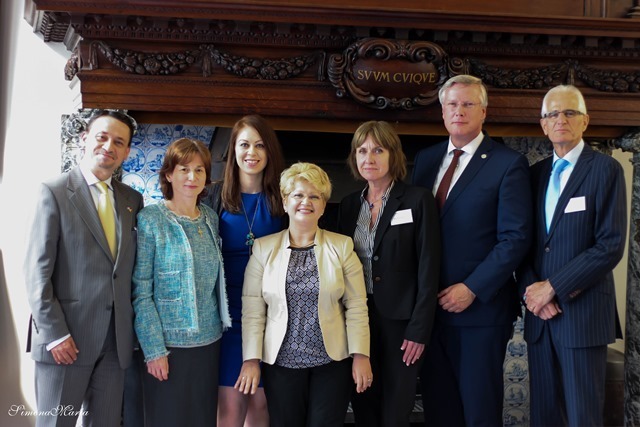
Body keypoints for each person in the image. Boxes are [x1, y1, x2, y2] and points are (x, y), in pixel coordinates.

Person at [412, 74, 532, 427]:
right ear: (443, 111)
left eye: (467, 104)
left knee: (479, 410)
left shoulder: (508, 163)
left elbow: (515, 237)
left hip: (478, 312)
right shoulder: (426, 159)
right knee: (439, 408)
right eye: (452, 104)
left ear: (484, 111)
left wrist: (472, 288)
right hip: (428, 312)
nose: (458, 111)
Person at [24, 110, 144, 427]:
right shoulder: (54, 191)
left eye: (119, 142)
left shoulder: (132, 199)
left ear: (127, 152)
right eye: (102, 137)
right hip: (67, 340)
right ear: (84, 139)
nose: (109, 146)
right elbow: (37, 273)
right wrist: (55, 334)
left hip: (115, 343)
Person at [519, 85, 627, 427]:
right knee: (544, 415)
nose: (560, 120)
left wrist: (553, 287)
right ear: (543, 124)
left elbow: (609, 244)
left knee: (582, 416)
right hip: (541, 317)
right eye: (552, 114)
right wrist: (533, 292)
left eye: (569, 113)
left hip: (582, 314)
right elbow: (520, 243)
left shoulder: (605, 171)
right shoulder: (533, 175)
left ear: (585, 121)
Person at [237, 162, 372, 427]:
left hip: (332, 363)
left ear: (323, 205)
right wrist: (251, 360)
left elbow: (356, 305)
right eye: (298, 195)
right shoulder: (263, 249)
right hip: (282, 364)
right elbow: (253, 309)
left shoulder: (342, 246)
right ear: (286, 201)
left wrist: (361, 355)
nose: (305, 202)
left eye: (314, 196)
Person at [337, 121, 440, 426]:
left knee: (397, 407)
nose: (369, 157)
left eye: (378, 150)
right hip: (358, 320)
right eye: (362, 150)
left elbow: (429, 268)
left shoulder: (417, 200)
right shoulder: (347, 205)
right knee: (364, 403)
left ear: (393, 155)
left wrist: (419, 330)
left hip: (402, 324)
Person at [132, 138, 231, 427]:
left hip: (209, 343)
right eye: (184, 169)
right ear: (169, 174)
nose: (192, 177)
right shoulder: (150, 219)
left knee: (201, 419)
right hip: (167, 348)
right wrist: (154, 350)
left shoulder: (210, 219)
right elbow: (141, 291)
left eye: (199, 170)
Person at [203, 115, 285, 427]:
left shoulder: (284, 197)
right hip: (225, 317)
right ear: (233, 151)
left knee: (261, 405)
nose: (252, 152)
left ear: (270, 152)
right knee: (230, 405)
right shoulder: (213, 196)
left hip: (270, 316)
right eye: (244, 144)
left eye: (260, 145)